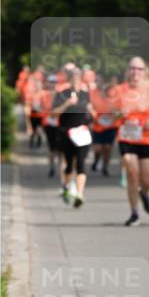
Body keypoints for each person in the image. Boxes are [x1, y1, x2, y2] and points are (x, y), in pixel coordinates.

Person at [115, 57, 149, 226]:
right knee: (132, 173)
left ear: (145, 71)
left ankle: (144, 193)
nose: (135, 72)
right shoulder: (120, 90)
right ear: (127, 71)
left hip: (147, 137)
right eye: (132, 68)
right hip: (127, 136)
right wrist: (119, 113)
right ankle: (134, 213)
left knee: (146, 179)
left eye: (139, 69)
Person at [51, 66, 94, 207]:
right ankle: (66, 186)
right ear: (69, 79)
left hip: (82, 133)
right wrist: (67, 104)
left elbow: (92, 110)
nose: (75, 79)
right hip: (66, 133)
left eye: (78, 76)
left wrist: (92, 112)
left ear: (81, 79)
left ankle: (80, 194)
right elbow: (54, 113)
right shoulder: (62, 94)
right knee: (69, 165)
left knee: (81, 163)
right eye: (73, 76)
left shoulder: (85, 94)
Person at [90, 79, 119, 176]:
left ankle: (105, 167)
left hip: (111, 126)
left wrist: (114, 113)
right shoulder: (94, 94)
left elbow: (118, 109)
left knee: (107, 148)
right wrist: (93, 117)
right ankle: (96, 160)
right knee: (98, 148)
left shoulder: (114, 95)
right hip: (98, 126)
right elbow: (90, 107)